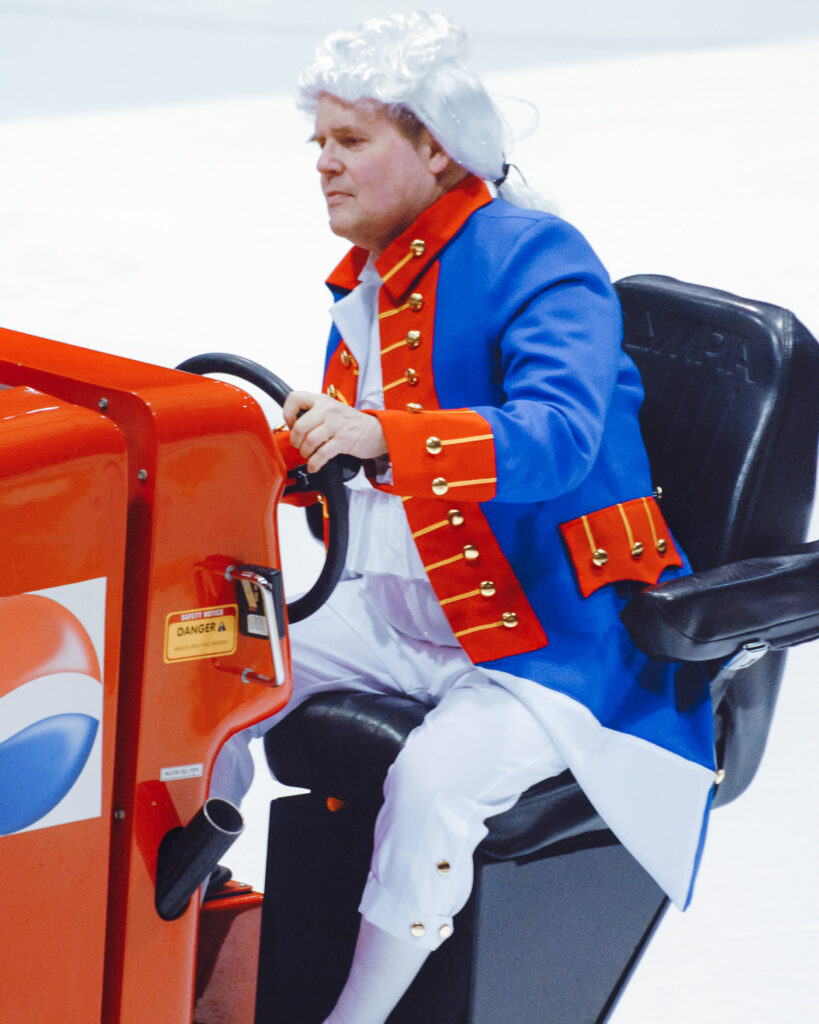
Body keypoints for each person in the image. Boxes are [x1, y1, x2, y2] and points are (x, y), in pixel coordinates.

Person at [212, 12, 716, 1023]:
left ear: (435, 145)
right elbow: (357, 455)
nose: (325, 165)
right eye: (319, 143)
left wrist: (383, 437)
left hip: (552, 629)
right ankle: (187, 892)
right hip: (415, 601)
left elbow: (558, 435)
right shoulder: (375, 276)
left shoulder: (541, 258)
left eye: (351, 142)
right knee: (212, 658)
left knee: (435, 784)